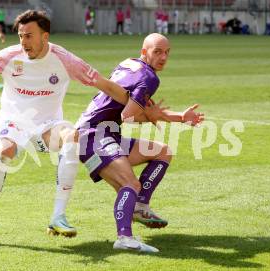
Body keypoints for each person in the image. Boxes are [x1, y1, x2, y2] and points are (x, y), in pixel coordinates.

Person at [0, 10, 129, 249]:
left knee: (71, 136)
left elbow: (104, 84)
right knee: (3, 154)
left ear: (45, 36)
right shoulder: (9, 56)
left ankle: (58, 217)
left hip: (48, 125)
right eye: (20, 36)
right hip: (14, 122)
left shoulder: (64, 59)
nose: (23, 42)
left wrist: (138, 104)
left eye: (29, 35)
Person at [76, 33, 204, 253]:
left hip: (105, 134)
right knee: (130, 184)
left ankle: (139, 207)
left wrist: (180, 117)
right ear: (144, 52)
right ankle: (124, 238)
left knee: (162, 152)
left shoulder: (128, 63)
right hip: (94, 136)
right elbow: (129, 116)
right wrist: (154, 114)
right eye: (157, 52)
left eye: (167, 52)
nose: (163, 57)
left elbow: (135, 110)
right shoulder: (150, 78)